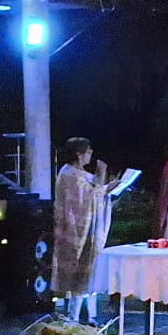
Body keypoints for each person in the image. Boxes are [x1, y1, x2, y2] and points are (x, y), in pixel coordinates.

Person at [52, 137, 113, 324]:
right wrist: (102, 177)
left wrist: (108, 187)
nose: (90, 154)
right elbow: (87, 199)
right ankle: (73, 318)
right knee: (78, 273)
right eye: (87, 151)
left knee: (90, 271)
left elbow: (95, 192)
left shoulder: (80, 174)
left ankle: (91, 316)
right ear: (79, 154)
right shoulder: (69, 175)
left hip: (88, 232)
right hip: (75, 233)